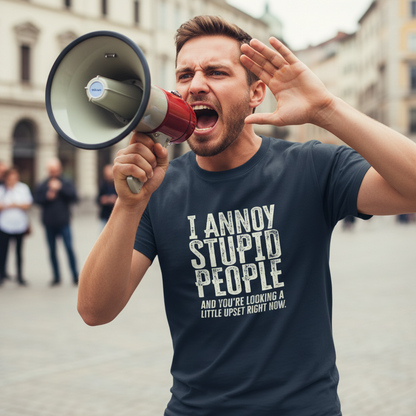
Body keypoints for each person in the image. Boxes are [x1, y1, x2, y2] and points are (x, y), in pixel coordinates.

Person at [77, 16, 416, 416]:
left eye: (216, 72)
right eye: (185, 74)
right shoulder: (157, 189)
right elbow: (95, 310)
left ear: (257, 92)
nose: (196, 84)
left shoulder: (311, 168)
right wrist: (129, 204)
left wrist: (326, 109)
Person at [34, 158, 79, 286]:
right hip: (49, 223)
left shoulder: (66, 182)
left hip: (64, 221)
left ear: (59, 169)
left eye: (55, 170)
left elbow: (74, 197)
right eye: (51, 170)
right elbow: (37, 199)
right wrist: (47, 196)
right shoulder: (43, 184)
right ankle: (56, 276)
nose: (53, 172)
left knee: (69, 248)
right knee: (52, 251)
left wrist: (60, 188)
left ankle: (75, 275)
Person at [0, 167, 33, 286]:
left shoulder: (22, 188)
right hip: (5, 225)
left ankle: (20, 275)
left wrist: (16, 205)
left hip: (20, 225)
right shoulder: (2, 190)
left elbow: (28, 204)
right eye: (10, 178)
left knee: (19, 252)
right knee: (3, 252)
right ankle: (2, 274)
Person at [97, 164, 117, 230]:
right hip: (105, 215)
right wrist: (103, 200)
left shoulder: (117, 184)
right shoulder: (103, 184)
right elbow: (97, 199)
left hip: (116, 214)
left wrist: (115, 199)